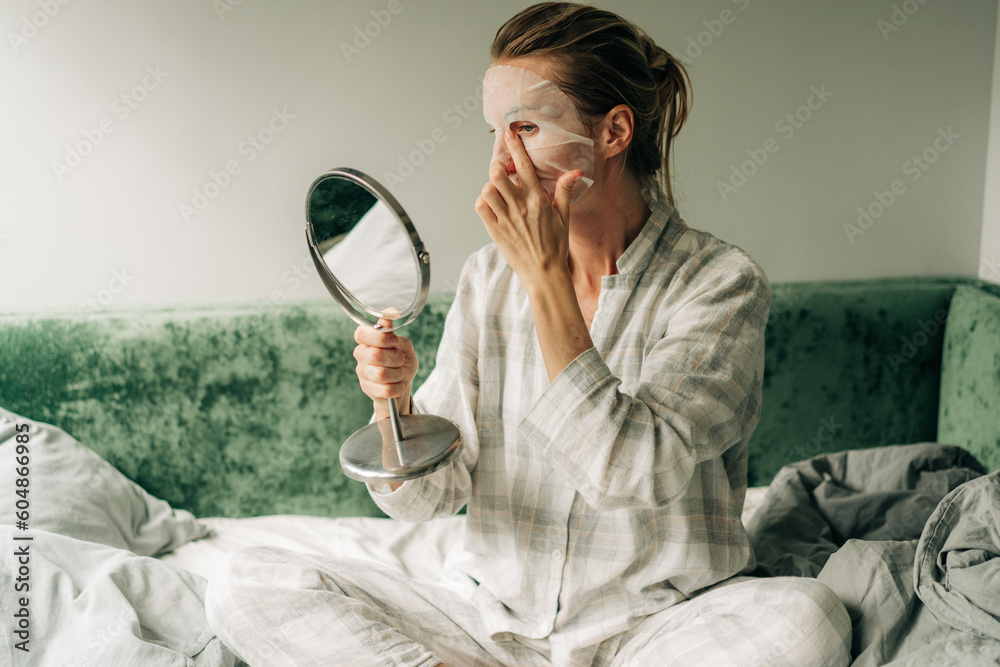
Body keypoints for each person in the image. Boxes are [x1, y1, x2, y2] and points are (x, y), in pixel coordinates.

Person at [205, 3, 852, 665]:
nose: (500, 162)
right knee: (243, 578)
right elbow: (431, 496)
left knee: (809, 618)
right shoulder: (489, 278)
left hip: (657, 628)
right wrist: (394, 407)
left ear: (613, 131)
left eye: (525, 128)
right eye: (494, 131)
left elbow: (629, 473)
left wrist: (546, 280)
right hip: (494, 628)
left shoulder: (719, 283)